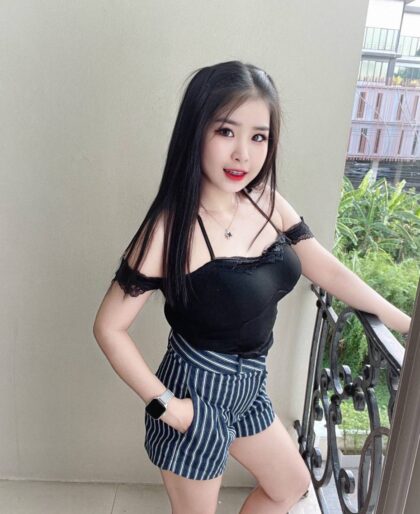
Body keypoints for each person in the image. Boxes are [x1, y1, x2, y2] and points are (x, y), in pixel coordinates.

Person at [93, 60, 412, 514]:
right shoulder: (168, 230)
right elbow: (109, 327)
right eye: (226, 131)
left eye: (259, 137)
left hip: (250, 386)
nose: (243, 153)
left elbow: (329, 272)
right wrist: (169, 407)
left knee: (290, 486)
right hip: (197, 388)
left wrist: (406, 324)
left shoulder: (267, 203)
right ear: (196, 132)